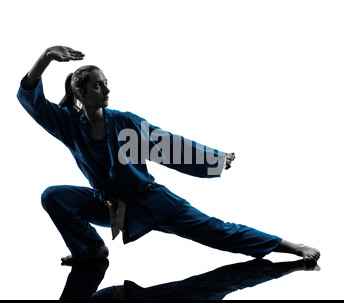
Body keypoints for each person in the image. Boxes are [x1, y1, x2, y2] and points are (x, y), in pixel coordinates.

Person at [17, 46, 320, 265]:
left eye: (107, 83)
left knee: (218, 231)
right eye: (99, 85)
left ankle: (291, 246)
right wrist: (45, 58)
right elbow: (32, 100)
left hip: (152, 203)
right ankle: (90, 250)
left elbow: (166, 144)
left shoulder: (124, 123)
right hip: (110, 207)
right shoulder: (69, 126)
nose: (107, 90)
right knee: (54, 196)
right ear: (81, 93)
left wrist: (212, 159)